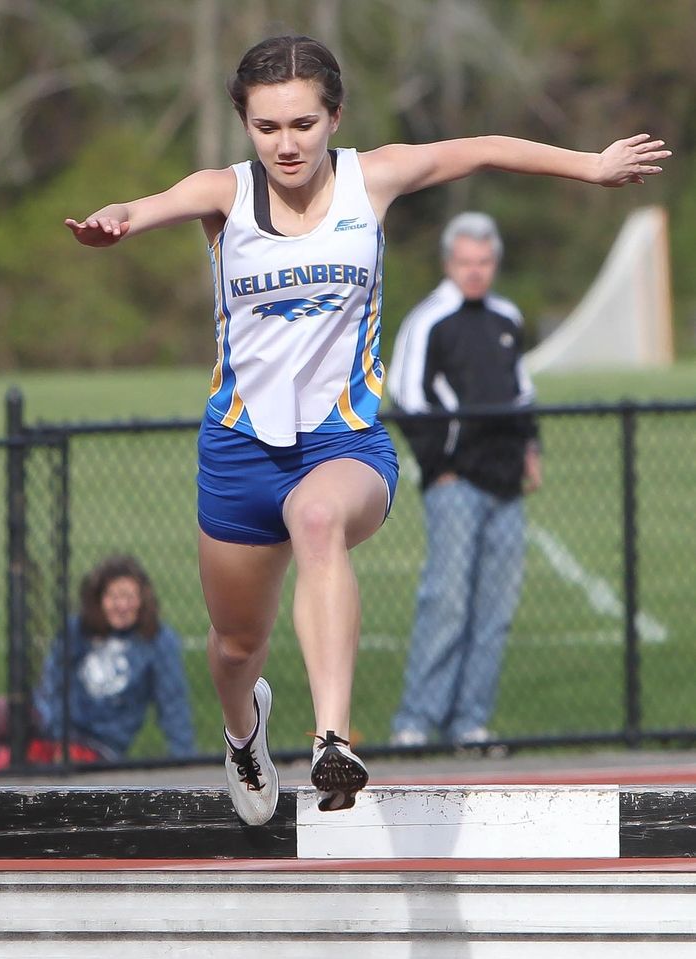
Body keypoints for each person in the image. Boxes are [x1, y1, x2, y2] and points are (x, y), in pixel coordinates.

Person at [64, 34, 668, 824]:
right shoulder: (224, 192)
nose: (287, 144)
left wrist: (589, 164)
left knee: (317, 520)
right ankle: (244, 733)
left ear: (335, 116)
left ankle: (330, 739)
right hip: (241, 451)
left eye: (305, 125)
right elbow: (144, 208)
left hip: (342, 443)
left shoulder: (370, 177)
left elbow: (480, 149)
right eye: (268, 127)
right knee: (235, 645)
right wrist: (120, 219)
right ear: (245, 125)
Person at [389, 211, 540, 750]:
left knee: (494, 610)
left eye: (484, 261)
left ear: (494, 263)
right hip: (457, 484)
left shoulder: (507, 317)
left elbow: (522, 391)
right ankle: (415, 723)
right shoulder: (429, 320)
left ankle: (469, 722)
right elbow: (405, 399)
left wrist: (531, 448)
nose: (475, 271)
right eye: (465, 262)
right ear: (449, 263)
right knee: (446, 603)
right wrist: (440, 466)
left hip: (506, 486)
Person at [0, 555, 195, 770]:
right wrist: (52, 730)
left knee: (1, 761)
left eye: (129, 597)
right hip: (53, 726)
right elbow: (52, 683)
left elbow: (173, 704)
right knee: (1, 711)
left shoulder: (158, 641)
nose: (121, 605)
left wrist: (185, 761)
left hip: (96, 745)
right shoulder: (78, 630)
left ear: (142, 600)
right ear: (99, 600)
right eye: (114, 597)